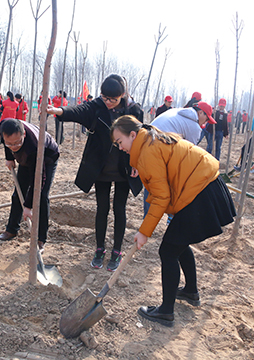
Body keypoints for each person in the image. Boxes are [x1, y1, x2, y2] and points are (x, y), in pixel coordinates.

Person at [110, 115, 236, 327]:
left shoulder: (148, 152)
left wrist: (144, 231)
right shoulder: (151, 140)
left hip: (200, 192)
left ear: (133, 135)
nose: (119, 147)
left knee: (168, 250)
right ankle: (190, 292)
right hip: (202, 187)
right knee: (178, 242)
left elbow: (161, 197)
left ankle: (166, 311)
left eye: (119, 142)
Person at [46, 74, 143, 272]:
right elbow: (79, 111)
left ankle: (117, 251)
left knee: (119, 208)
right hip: (101, 167)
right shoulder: (97, 106)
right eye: (105, 98)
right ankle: (99, 249)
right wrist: (59, 110)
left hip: (124, 167)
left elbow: (140, 138)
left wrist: (137, 162)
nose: (108, 103)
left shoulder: (134, 110)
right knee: (102, 208)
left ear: (122, 95)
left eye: (112, 100)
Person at [0, 119, 59, 253]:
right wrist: (9, 157)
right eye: (10, 144)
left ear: (23, 134)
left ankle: (41, 239)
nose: (14, 146)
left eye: (17, 142)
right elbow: (6, 143)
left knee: (41, 197)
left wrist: (28, 206)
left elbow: (38, 179)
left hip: (47, 157)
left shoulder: (34, 146)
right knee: (18, 193)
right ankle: (11, 230)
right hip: (25, 158)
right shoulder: (3, 127)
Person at [145, 102, 217, 217]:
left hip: (146, 145)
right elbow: (188, 154)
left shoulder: (178, 112)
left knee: (151, 183)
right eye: (207, 118)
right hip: (159, 151)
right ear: (200, 113)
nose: (206, 122)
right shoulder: (194, 126)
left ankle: (148, 218)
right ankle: (172, 218)